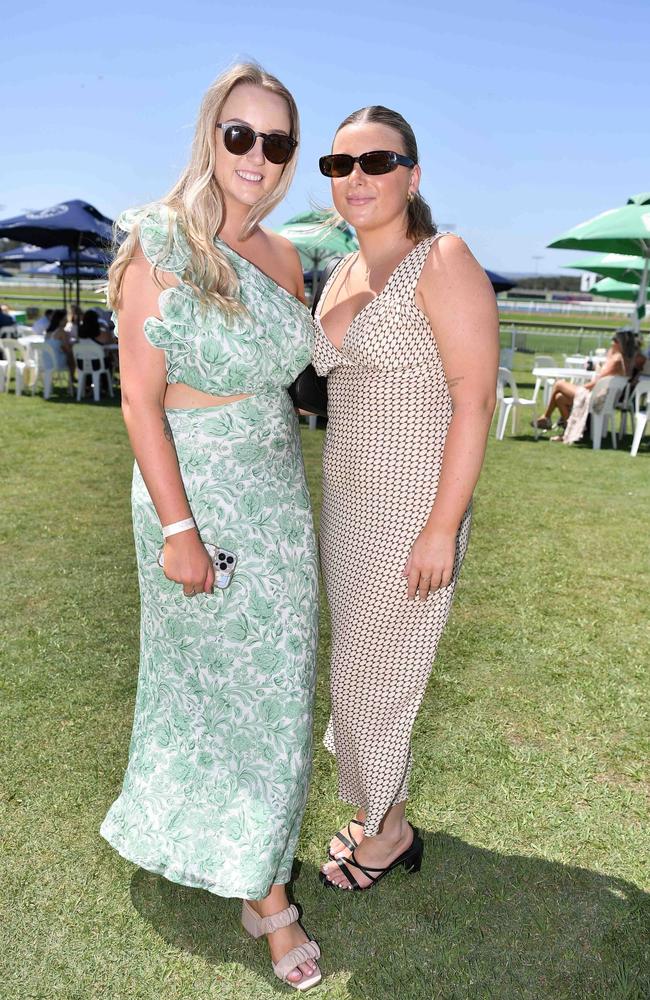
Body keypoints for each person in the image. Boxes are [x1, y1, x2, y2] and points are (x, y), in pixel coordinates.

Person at [100, 63, 321, 990]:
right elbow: (140, 402)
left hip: (279, 501)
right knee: (217, 696)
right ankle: (269, 898)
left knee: (280, 694)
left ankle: (252, 859)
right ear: (210, 136)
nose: (257, 157)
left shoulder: (286, 258)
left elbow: (305, 379)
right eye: (241, 135)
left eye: (276, 143)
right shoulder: (160, 240)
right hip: (195, 500)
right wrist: (180, 530)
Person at [312, 106, 499, 891]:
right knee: (354, 670)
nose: (358, 178)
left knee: (373, 677)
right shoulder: (342, 271)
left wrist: (441, 527)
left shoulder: (442, 259)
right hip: (346, 506)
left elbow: (474, 398)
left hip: (410, 510)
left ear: (412, 175)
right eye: (340, 164)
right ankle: (375, 809)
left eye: (377, 162)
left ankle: (388, 834)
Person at [532, 332, 628, 431]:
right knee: (559, 397)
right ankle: (570, 431)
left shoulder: (616, 360)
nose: (612, 342)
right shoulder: (618, 359)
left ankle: (546, 417)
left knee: (559, 384)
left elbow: (599, 381)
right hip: (599, 396)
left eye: (615, 340)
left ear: (620, 344)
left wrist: (582, 387)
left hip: (596, 398)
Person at [45, 308, 76, 379]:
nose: (66, 321)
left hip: (46, 361)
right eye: (65, 319)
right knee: (72, 357)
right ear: (60, 320)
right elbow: (67, 349)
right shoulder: (62, 332)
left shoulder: (48, 332)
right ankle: (72, 380)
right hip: (57, 362)